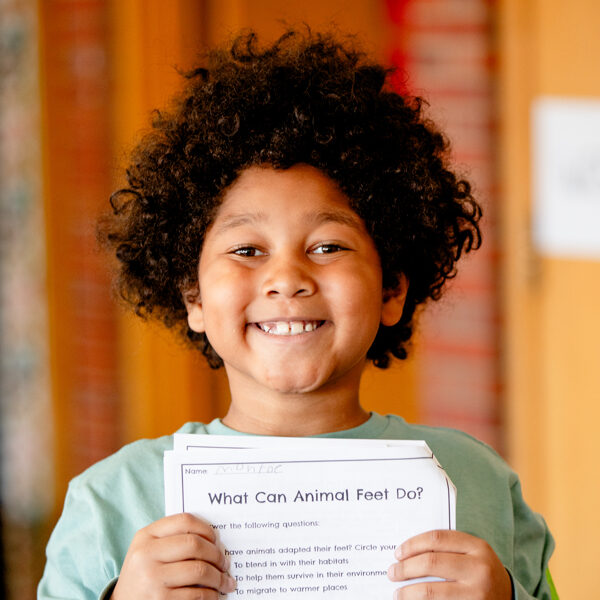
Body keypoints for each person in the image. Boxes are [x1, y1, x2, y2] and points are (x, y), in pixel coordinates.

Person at [38, 29, 557, 600]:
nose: (286, 278)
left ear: (391, 290)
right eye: (246, 251)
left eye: (328, 246)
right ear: (193, 298)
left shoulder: (477, 480)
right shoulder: (112, 500)